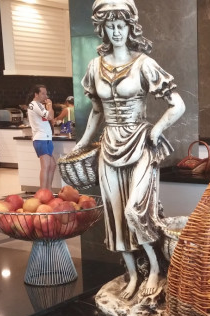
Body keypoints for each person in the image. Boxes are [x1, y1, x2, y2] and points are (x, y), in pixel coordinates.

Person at [72, 0, 185, 299]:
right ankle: (133, 275)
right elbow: (97, 111)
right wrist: (81, 143)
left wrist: (156, 130)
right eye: (110, 26)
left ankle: (155, 269)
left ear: (130, 27)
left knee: (136, 210)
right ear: (103, 29)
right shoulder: (94, 66)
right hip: (109, 145)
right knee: (115, 216)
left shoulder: (144, 63)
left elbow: (177, 105)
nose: (116, 31)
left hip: (140, 143)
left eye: (121, 25)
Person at [26, 85, 55, 190]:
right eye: (43, 93)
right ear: (36, 94)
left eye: (46, 93)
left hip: (46, 138)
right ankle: (43, 192)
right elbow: (50, 116)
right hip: (41, 138)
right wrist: (50, 105)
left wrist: (49, 107)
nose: (45, 96)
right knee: (46, 166)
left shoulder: (40, 105)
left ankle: (48, 189)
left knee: (52, 165)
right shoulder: (34, 105)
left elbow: (51, 117)